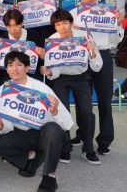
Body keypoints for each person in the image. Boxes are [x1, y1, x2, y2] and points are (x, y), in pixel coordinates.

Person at [0, 51, 72, 192]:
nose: (15, 69)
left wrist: (54, 111)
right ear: (6, 69)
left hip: (45, 135)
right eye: (10, 65)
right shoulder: (3, 90)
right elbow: (7, 123)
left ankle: (49, 177)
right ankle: (31, 158)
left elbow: (67, 124)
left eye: (19, 65)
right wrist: (1, 125)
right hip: (23, 135)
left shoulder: (41, 88)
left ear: (27, 68)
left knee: (52, 129)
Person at [40, 9, 102, 165]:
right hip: (60, 78)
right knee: (62, 111)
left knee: (87, 112)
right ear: (54, 26)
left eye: (65, 23)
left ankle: (88, 149)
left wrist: (92, 52)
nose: (62, 27)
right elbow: (54, 68)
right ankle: (65, 148)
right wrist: (49, 71)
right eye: (58, 24)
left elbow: (97, 66)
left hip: (81, 77)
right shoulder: (52, 40)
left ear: (71, 23)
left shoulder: (84, 37)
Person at [69, 0, 123, 156]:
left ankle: (105, 140)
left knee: (105, 100)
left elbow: (116, 40)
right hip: (82, 57)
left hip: (103, 54)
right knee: (82, 101)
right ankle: (82, 134)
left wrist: (117, 24)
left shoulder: (108, 12)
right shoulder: (73, 13)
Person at [0, 9, 45, 85]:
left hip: (32, 75)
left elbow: (41, 62)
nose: (13, 29)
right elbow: (1, 66)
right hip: (10, 76)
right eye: (9, 26)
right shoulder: (2, 40)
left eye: (16, 25)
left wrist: (43, 56)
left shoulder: (34, 36)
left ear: (22, 23)